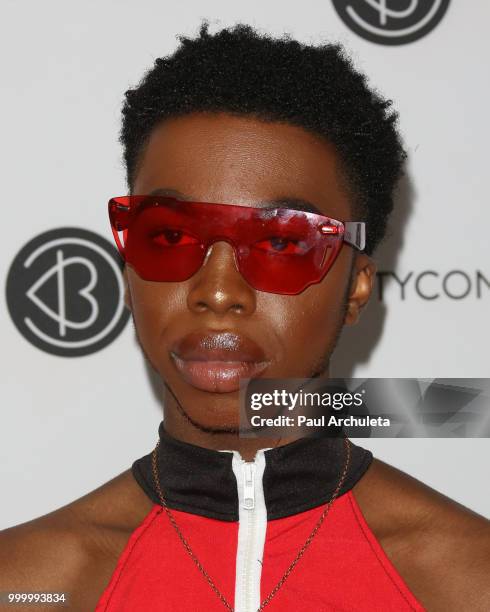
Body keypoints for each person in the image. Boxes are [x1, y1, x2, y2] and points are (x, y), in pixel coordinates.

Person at [1, 21, 489, 612]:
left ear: (358, 285)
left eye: (282, 243)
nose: (218, 291)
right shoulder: (23, 583)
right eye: (172, 235)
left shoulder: (469, 580)